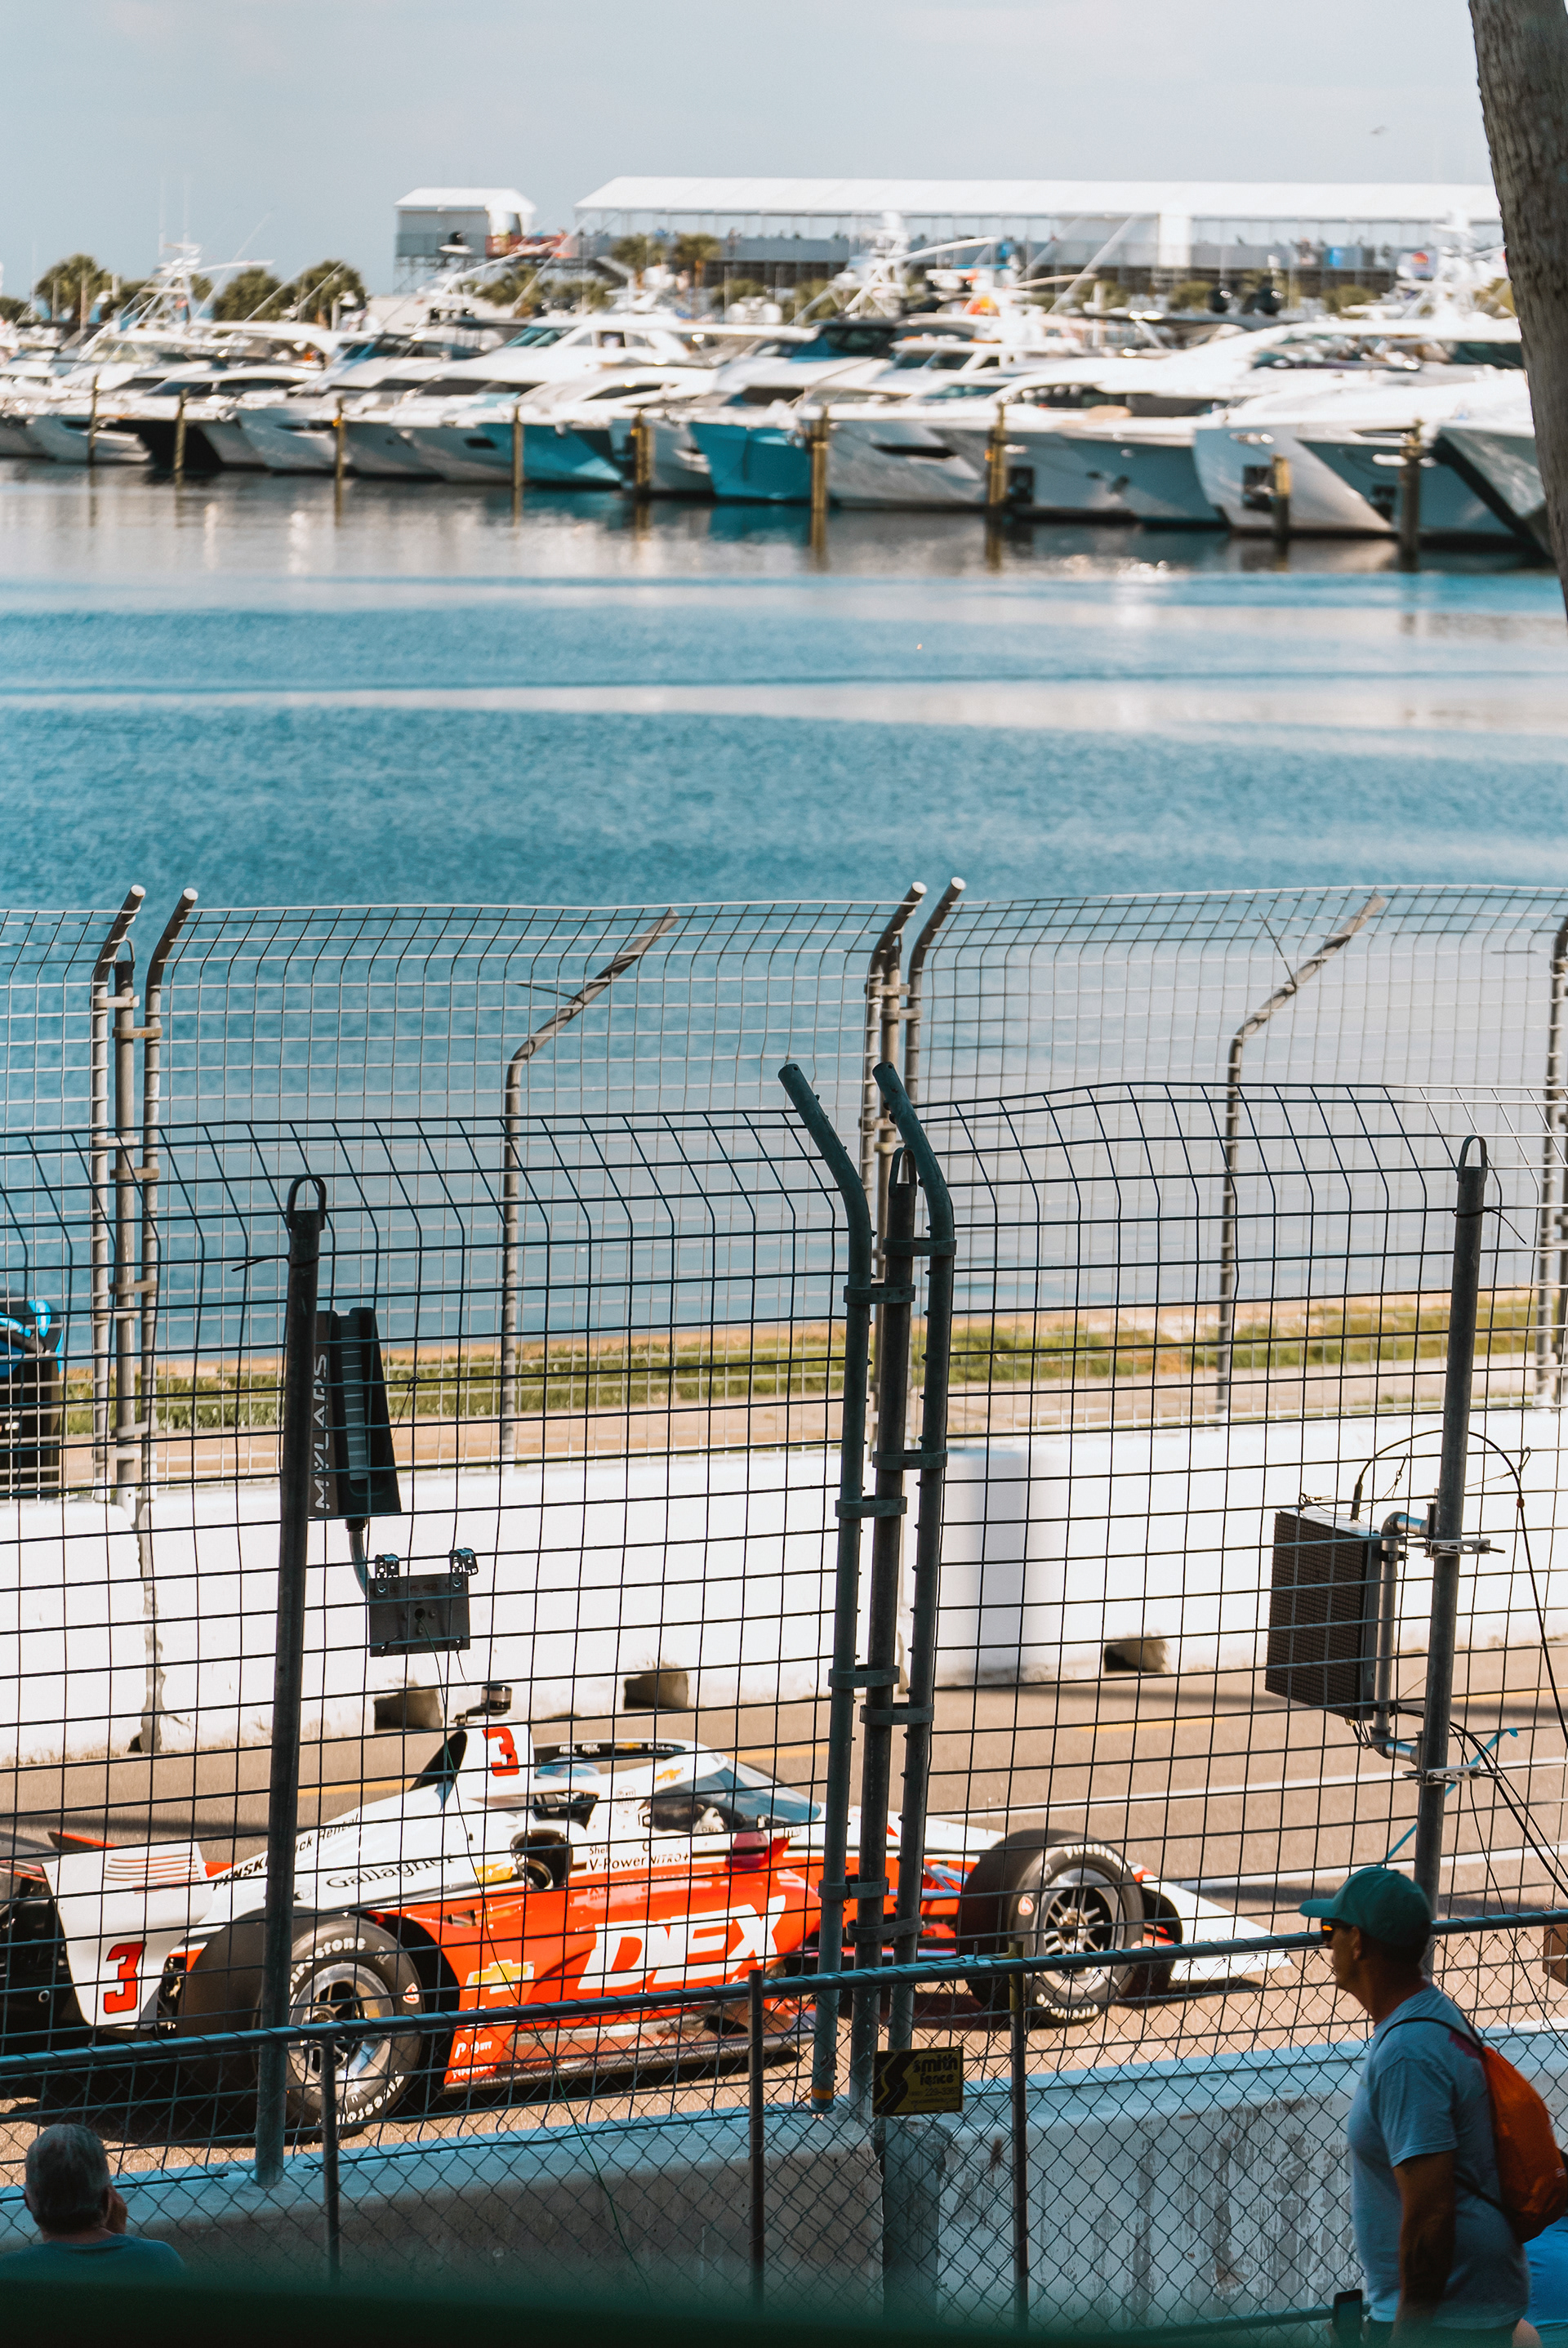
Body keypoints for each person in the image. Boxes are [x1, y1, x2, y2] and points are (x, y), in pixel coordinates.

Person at [1302, 1868, 1529, 2346]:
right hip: (1464, 2299)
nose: (1326, 1944)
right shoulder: (1431, 2013)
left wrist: (1407, 2336)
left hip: (1447, 2314)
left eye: (1329, 1930)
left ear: (1358, 1942)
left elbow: (1431, 2216)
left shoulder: (1407, 2054)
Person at [0, 2123, 183, 2281]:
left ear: (28, 2203)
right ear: (108, 2198)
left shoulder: (10, 2273)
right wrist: (118, 2237)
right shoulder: (160, 2259)